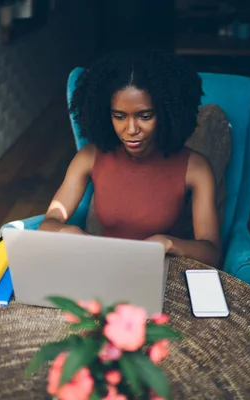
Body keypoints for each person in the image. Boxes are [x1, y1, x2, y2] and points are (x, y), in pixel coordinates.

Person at [38, 49, 221, 267]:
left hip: (163, 274)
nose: (131, 129)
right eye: (119, 117)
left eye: (145, 116)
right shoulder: (89, 157)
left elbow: (212, 252)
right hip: (101, 268)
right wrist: (65, 230)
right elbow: (48, 223)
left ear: (166, 113)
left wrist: (170, 244)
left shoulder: (195, 168)